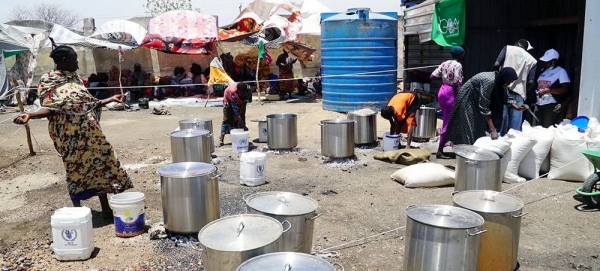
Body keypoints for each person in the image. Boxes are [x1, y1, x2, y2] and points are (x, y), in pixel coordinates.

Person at [13, 45, 133, 218]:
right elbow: (51, 109)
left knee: (102, 164)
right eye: (74, 59)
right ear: (63, 61)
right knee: (76, 169)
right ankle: (78, 212)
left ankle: (106, 208)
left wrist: (109, 99)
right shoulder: (49, 81)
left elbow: (86, 104)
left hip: (91, 133)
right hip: (70, 137)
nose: (77, 63)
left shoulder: (75, 78)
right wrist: (30, 114)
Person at [446, 67, 519, 145]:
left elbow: (505, 97)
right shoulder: (490, 81)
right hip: (468, 98)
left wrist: (515, 106)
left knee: (479, 126)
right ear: (504, 77)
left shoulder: (500, 82)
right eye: (508, 81)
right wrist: (493, 130)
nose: (509, 84)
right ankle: (466, 149)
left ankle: (473, 147)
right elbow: (484, 107)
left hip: (477, 99)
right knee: (469, 126)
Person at [494, 39, 537, 134]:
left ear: (517, 44)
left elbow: (496, 64)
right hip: (519, 94)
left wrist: (498, 81)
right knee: (515, 130)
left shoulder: (508, 48)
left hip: (503, 91)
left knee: (499, 124)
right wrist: (524, 91)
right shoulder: (533, 60)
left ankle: (497, 145)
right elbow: (531, 81)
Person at [430, 46, 465, 159]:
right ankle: (440, 150)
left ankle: (449, 142)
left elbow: (432, 76)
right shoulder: (458, 65)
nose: (464, 56)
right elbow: (457, 82)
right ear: (459, 55)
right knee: (448, 121)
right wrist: (460, 98)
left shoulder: (444, 63)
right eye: (463, 54)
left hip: (442, 91)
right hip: (451, 93)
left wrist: (445, 77)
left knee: (450, 119)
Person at [534, 49, 570, 128]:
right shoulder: (543, 71)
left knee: (548, 128)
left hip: (551, 104)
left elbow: (565, 89)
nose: (544, 63)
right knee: (537, 128)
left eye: (547, 62)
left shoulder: (561, 71)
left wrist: (547, 91)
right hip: (539, 103)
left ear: (553, 61)